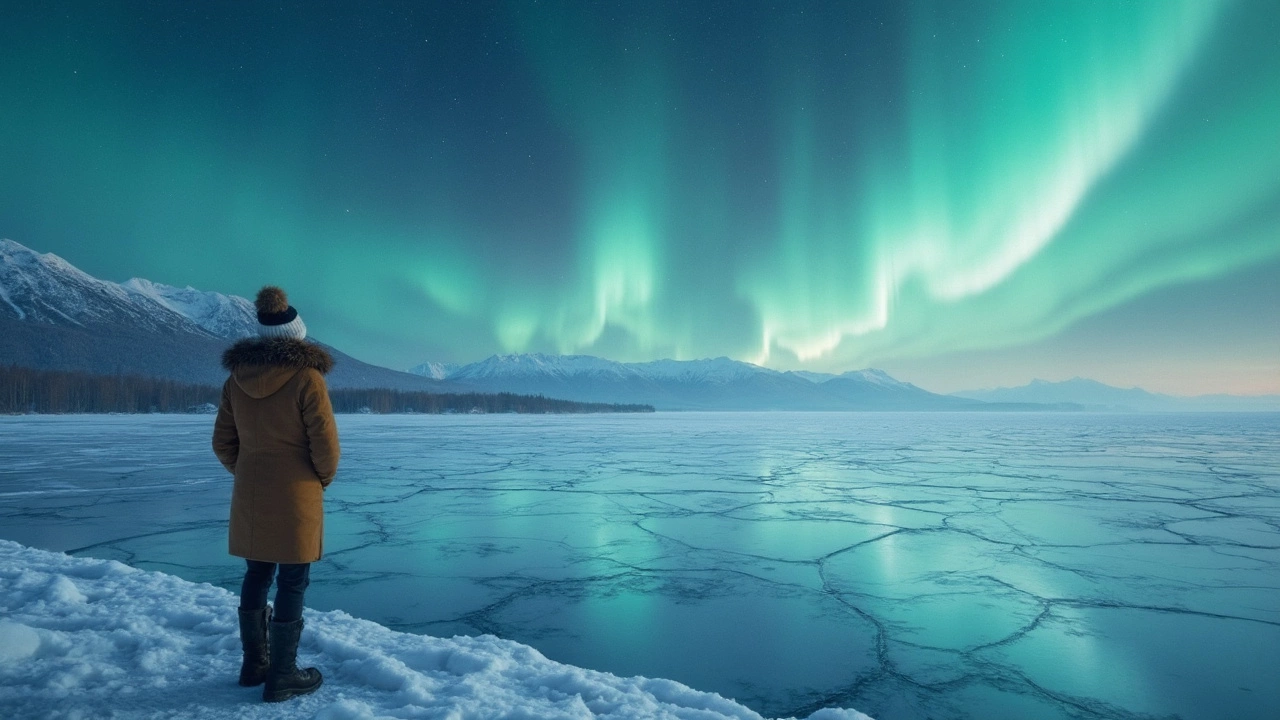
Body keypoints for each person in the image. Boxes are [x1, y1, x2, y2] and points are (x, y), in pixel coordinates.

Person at [212, 286, 340, 703]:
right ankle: (282, 674)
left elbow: (222, 442)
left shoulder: (236, 379)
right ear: (296, 335)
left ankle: (255, 666)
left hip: (250, 492)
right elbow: (325, 445)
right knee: (293, 579)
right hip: (296, 493)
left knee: (257, 573)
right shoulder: (308, 378)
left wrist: (247, 472)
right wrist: (318, 479)